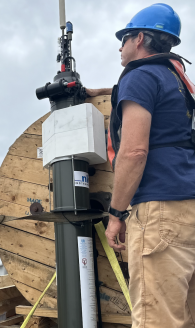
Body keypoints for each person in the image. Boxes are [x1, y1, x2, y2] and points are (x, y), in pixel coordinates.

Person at [96, 4, 195, 327]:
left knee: (157, 320)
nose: (119, 47)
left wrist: (116, 214)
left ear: (139, 38)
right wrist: (96, 91)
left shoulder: (139, 77)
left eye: (123, 39)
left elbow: (134, 151)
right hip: (188, 206)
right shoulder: (175, 80)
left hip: (159, 213)